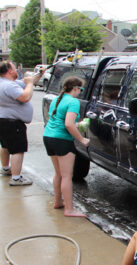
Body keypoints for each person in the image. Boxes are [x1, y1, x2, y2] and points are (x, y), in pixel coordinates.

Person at [42, 76, 89, 217]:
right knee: (67, 176)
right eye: (81, 89)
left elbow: (61, 121)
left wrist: (77, 125)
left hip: (48, 136)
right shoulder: (73, 102)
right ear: (76, 88)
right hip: (62, 140)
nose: (81, 92)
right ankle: (69, 209)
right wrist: (81, 139)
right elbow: (68, 124)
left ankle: (58, 201)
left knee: (59, 174)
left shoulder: (57, 99)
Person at [0, 61, 43, 186]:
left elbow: (28, 83)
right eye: (15, 69)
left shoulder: (6, 83)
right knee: (17, 150)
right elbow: (25, 96)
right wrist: (30, 83)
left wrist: (39, 75)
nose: (17, 71)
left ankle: (5, 168)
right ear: (10, 71)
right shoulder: (9, 86)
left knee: (5, 146)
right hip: (11, 124)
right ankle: (16, 178)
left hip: (1, 122)